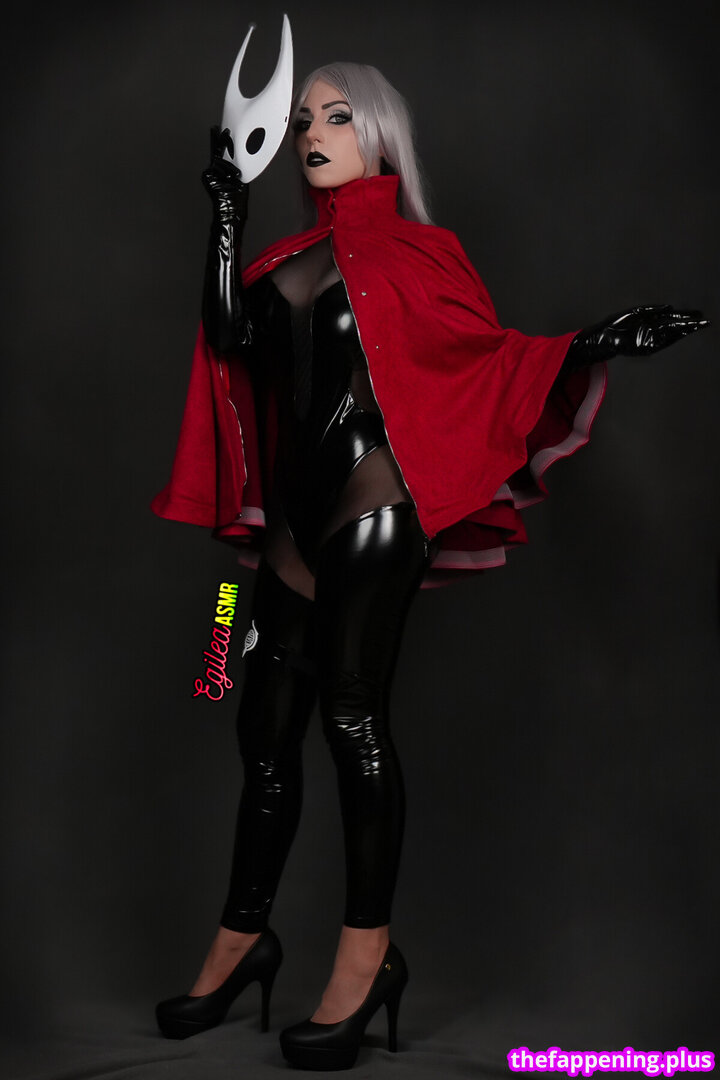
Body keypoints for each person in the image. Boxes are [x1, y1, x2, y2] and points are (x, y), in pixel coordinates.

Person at [151, 62, 707, 1070]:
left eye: (336, 117)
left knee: (350, 716)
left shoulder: (421, 253)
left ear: (377, 136)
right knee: (258, 727)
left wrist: (597, 338)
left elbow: (485, 359)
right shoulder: (280, 261)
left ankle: (367, 957)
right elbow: (228, 335)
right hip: (289, 528)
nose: (313, 133)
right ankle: (242, 943)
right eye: (304, 119)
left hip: (375, 506)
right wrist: (227, 214)